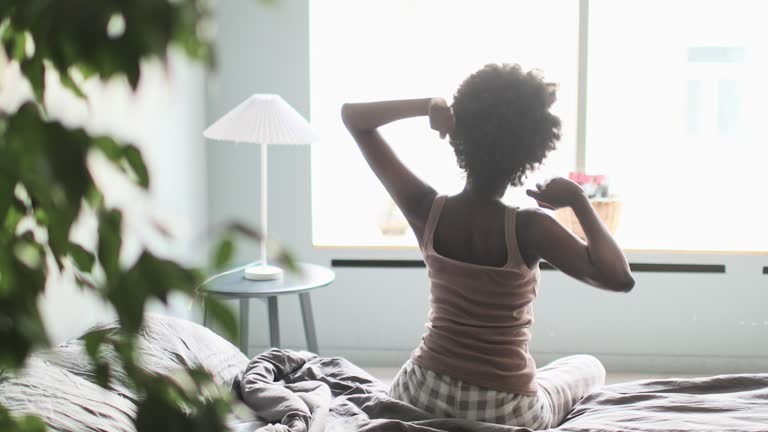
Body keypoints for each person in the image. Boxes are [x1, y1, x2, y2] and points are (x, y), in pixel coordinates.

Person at [340, 63, 634, 430]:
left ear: (459, 134)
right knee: (589, 367)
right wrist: (578, 199)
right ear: (532, 150)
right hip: (504, 409)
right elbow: (619, 277)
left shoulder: (426, 209)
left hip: (418, 392)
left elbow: (353, 118)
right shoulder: (530, 227)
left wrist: (428, 106)